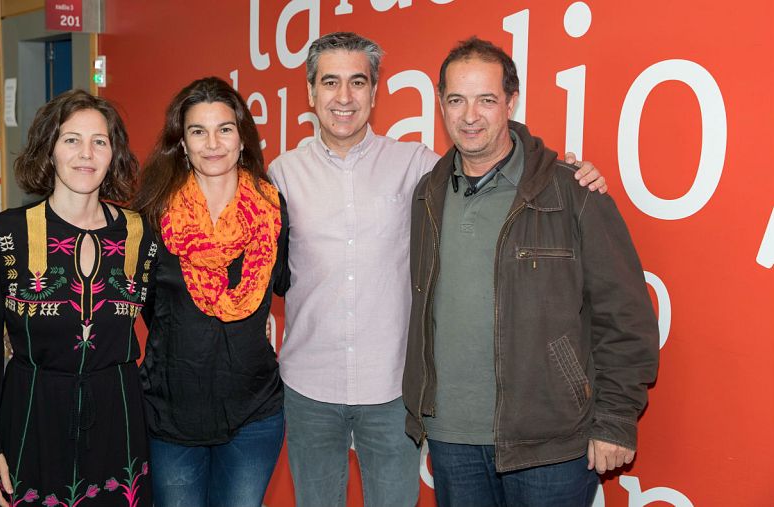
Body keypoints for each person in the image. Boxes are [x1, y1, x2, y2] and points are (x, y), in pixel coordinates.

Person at [267, 32, 607, 507]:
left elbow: (495, 159)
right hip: (309, 386)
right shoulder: (279, 175)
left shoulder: (419, 167)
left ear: (374, 91)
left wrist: (569, 171)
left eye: (357, 82)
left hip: (392, 390)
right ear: (310, 92)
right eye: (330, 82)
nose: (344, 97)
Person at [403, 36, 660, 507]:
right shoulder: (426, 195)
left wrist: (615, 420)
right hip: (451, 438)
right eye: (456, 100)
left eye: (486, 99)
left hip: (550, 443)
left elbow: (625, 317)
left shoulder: (572, 191)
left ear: (511, 102)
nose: (470, 115)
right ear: (441, 104)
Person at [0, 89, 155, 507]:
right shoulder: (4, 234)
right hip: (31, 418)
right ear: (49, 149)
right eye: (71, 139)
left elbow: (167, 332)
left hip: (117, 425)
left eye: (99, 141)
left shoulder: (142, 236)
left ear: (114, 154)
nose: (86, 154)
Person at [131, 77, 290, 507]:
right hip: (171, 412)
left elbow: (282, 282)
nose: (213, 143)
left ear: (243, 138)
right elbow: (147, 307)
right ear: (182, 143)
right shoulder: (154, 213)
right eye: (198, 131)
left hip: (254, 412)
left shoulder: (272, 209)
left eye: (224, 129)